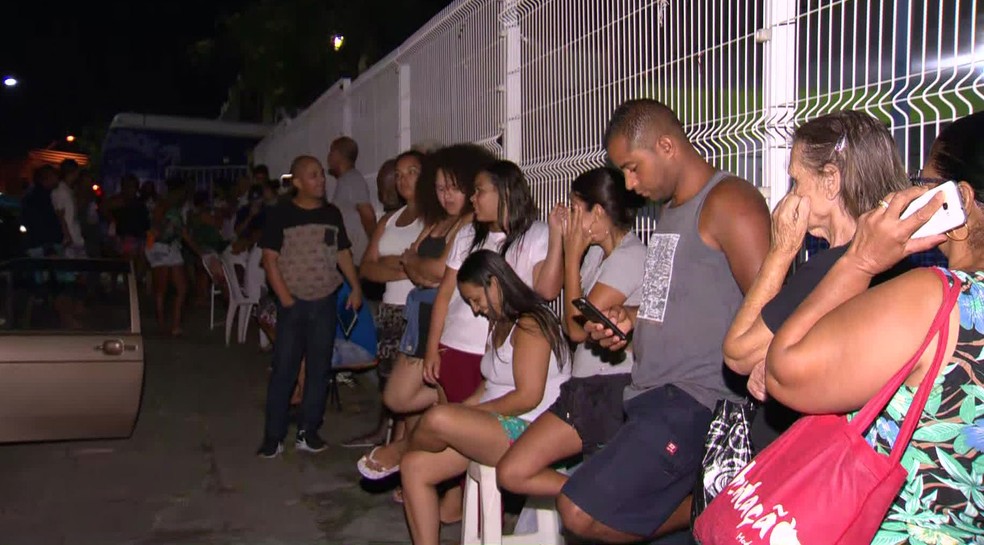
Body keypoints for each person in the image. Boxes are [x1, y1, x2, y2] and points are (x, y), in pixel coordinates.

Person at [764, 111, 984, 543]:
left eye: (923, 186)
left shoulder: (936, 299)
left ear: (957, 197)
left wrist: (860, 260)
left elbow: (783, 373)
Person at [566, 99, 771, 542]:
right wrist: (628, 320)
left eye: (633, 168)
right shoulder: (669, 211)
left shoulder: (730, 202)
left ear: (666, 145)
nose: (629, 182)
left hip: (695, 401)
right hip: (650, 396)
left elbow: (772, 308)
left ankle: (714, 502)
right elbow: (671, 306)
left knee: (579, 509)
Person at [723, 110, 913, 451]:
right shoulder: (902, 265)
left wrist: (781, 252)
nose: (791, 194)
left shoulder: (832, 268)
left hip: (802, 461)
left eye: (797, 181)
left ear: (830, 180)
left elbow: (738, 354)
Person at [356, 144, 494, 515]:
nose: (447, 195)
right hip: (421, 322)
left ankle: (452, 493)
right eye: (440, 187)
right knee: (397, 397)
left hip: (450, 326)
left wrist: (420, 266)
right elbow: (412, 263)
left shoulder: (470, 226)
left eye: (454, 187)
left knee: (449, 417)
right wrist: (418, 265)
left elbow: (433, 273)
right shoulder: (438, 222)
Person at [400, 249, 571, 545]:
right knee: (414, 468)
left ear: (494, 283)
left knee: (438, 418)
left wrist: (470, 415)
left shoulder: (532, 323)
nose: (476, 310)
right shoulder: (500, 323)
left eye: (476, 300)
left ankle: (397, 450)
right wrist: (464, 410)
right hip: (502, 427)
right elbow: (489, 385)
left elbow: (527, 397)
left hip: (534, 430)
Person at [496, 167, 646, 497]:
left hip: (611, 390)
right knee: (513, 471)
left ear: (600, 213)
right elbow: (562, 301)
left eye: (578, 209)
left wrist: (573, 254)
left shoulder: (631, 256)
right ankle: (592, 499)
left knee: (602, 493)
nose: (573, 218)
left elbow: (577, 329)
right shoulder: (596, 254)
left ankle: (599, 503)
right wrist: (568, 250)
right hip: (583, 388)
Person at [256, 155, 363, 458]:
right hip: (294, 304)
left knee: (319, 370)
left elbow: (342, 252)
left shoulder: (331, 213)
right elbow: (270, 259)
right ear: (298, 182)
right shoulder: (280, 214)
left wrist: (355, 286)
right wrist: (286, 299)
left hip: (325, 301)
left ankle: (309, 431)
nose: (321, 180)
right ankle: (273, 436)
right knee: (284, 370)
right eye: (313, 176)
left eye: (322, 175)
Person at [346, 150, 425, 446]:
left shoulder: (436, 219)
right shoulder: (389, 220)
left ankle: (405, 447)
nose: (403, 180)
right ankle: (389, 437)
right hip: (391, 311)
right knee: (388, 379)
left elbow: (428, 267)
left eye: (411, 172)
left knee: (412, 388)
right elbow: (367, 268)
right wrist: (406, 264)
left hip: (418, 312)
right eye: (399, 174)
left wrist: (392, 263)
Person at [146, 177, 191, 336]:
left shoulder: (173, 207)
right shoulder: (165, 206)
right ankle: (162, 324)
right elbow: (159, 228)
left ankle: (174, 324)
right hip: (160, 247)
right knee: (162, 288)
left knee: (181, 288)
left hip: (171, 247)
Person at [327, 136, 376, 265]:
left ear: (337, 155)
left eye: (331, 152)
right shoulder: (345, 181)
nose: (328, 157)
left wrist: (374, 247)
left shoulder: (352, 180)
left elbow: (368, 215)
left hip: (356, 261)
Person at [22, 165, 63, 257]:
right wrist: (48, 246)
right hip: (44, 245)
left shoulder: (35, 195)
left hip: (40, 244)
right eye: (54, 176)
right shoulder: (41, 198)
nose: (57, 179)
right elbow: (42, 222)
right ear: (46, 178)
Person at [52, 158, 85, 257]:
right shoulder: (60, 191)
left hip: (75, 235)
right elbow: (60, 215)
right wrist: (67, 235)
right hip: (69, 238)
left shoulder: (69, 190)